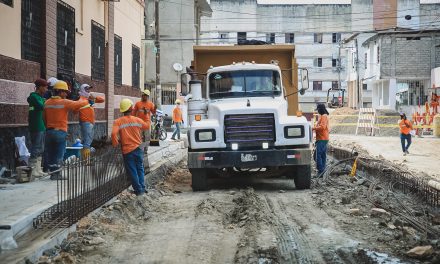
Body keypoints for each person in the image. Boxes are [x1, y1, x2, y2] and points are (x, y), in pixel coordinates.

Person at [43, 81, 89, 180]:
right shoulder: (64, 102)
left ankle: (52, 173)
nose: (66, 94)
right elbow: (79, 104)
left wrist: (48, 127)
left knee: (51, 153)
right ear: (60, 92)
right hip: (60, 132)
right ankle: (57, 174)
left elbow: (44, 118)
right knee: (59, 153)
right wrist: (87, 99)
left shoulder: (47, 102)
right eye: (65, 92)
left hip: (49, 132)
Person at [112, 99, 149, 196]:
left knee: (132, 170)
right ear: (131, 108)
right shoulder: (137, 120)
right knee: (140, 168)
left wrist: (115, 143)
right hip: (138, 148)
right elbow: (147, 126)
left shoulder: (118, 121)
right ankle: (142, 187)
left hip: (127, 151)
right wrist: (146, 115)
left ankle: (138, 190)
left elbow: (113, 134)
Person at [77, 84, 105, 160]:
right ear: (82, 90)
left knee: (86, 140)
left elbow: (102, 100)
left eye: (89, 89)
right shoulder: (81, 100)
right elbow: (75, 110)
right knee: (87, 141)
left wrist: (94, 97)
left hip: (90, 123)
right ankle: (86, 160)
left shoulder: (89, 99)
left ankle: (83, 158)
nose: (88, 91)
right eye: (87, 89)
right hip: (86, 122)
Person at [27, 78, 49, 178]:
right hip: (36, 126)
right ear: (39, 87)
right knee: (36, 148)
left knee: (41, 148)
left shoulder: (40, 97)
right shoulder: (34, 97)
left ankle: (38, 169)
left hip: (42, 126)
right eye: (45, 87)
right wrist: (45, 102)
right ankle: (32, 170)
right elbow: (43, 106)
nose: (46, 89)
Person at [132, 89, 156, 172]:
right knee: (138, 142)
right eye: (143, 95)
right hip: (139, 126)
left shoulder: (150, 104)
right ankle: (140, 153)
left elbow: (154, 112)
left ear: (148, 96)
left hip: (146, 126)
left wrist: (154, 108)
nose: (144, 96)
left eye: (145, 95)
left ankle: (145, 151)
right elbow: (133, 114)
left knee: (146, 141)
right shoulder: (138, 104)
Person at [313, 103, 330, 176]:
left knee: (318, 155)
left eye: (318, 110)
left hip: (322, 139)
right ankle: (322, 170)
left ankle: (321, 171)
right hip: (323, 138)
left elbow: (322, 127)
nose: (318, 112)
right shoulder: (324, 116)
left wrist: (313, 128)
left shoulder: (324, 116)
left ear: (320, 109)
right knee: (322, 155)